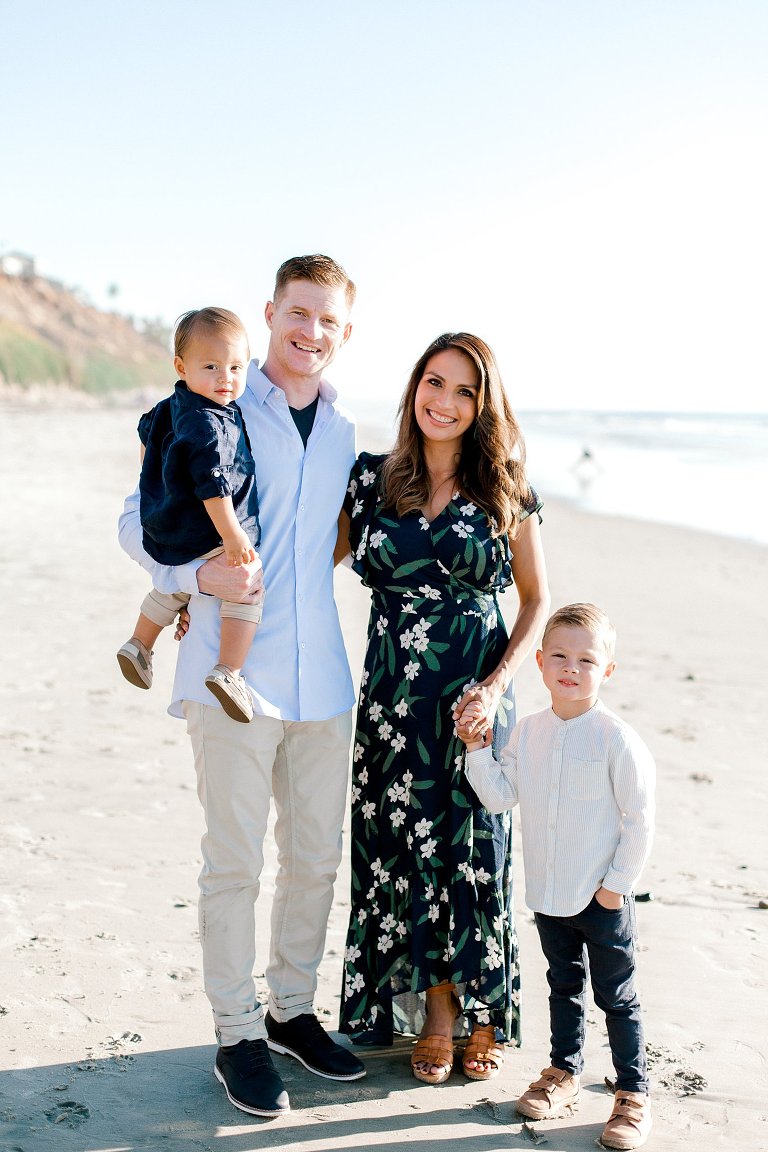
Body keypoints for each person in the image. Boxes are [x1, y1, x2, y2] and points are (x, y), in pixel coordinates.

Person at [118, 255, 365, 1117]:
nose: (312, 332)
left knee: (315, 860)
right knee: (234, 863)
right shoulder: (211, 401)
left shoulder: (342, 431)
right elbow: (136, 516)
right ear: (271, 313)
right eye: (300, 313)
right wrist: (191, 575)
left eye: (329, 320)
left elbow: (338, 537)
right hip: (233, 678)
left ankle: (293, 1010)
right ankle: (236, 1034)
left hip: (325, 678)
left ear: (343, 330)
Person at [335, 332, 550, 1084]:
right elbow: (296, 563)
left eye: (465, 390)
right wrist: (205, 585)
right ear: (414, 387)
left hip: (473, 702)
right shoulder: (371, 483)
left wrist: (493, 689)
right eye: (435, 382)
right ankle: (435, 1010)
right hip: (394, 700)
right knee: (406, 849)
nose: (446, 402)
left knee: (474, 850)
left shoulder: (506, 487)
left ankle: (480, 1010)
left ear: (483, 406)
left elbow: (535, 601)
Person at [462, 602, 655, 1150]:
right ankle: (564, 1073)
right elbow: (500, 797)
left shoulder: (616, 738)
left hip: (602, 894)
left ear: (607, 671)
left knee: (616, 995)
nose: (573, 668)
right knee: (563, 987)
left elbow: (640, 820)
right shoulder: (527, 732)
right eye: (561, 657)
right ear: (541, 663)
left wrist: (616, 886)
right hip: (548, 892)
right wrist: (478, 747)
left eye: (588, 660)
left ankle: (633, 1093)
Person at [117, 307, 262, 723]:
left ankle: (140, 643)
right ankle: (229, 670)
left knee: (176, 586)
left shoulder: (171, 406)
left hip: (168, 525)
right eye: (212, 366)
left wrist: (158, 485)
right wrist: (233, 538)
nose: (226, 379)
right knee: (247, 586)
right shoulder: (210, 422)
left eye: (235, 367)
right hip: (209, 528)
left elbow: (146, 434)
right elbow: (214, 486)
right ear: (181, 366)